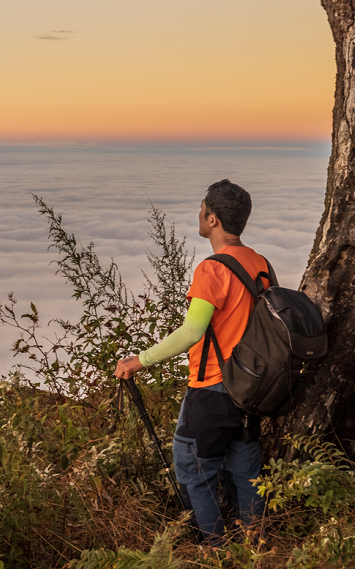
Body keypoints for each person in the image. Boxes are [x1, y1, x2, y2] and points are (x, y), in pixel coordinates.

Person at [114, 179, 268, 545]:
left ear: (212, 219)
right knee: (246, 473)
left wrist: (140, 360)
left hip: (213, 388)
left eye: (202, 210)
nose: (199, 215)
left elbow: (192, 332)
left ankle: (215, 552)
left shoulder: (213, 269)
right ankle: (254, 548)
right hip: (252, 387)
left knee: (193, 471)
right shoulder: (259, 263)